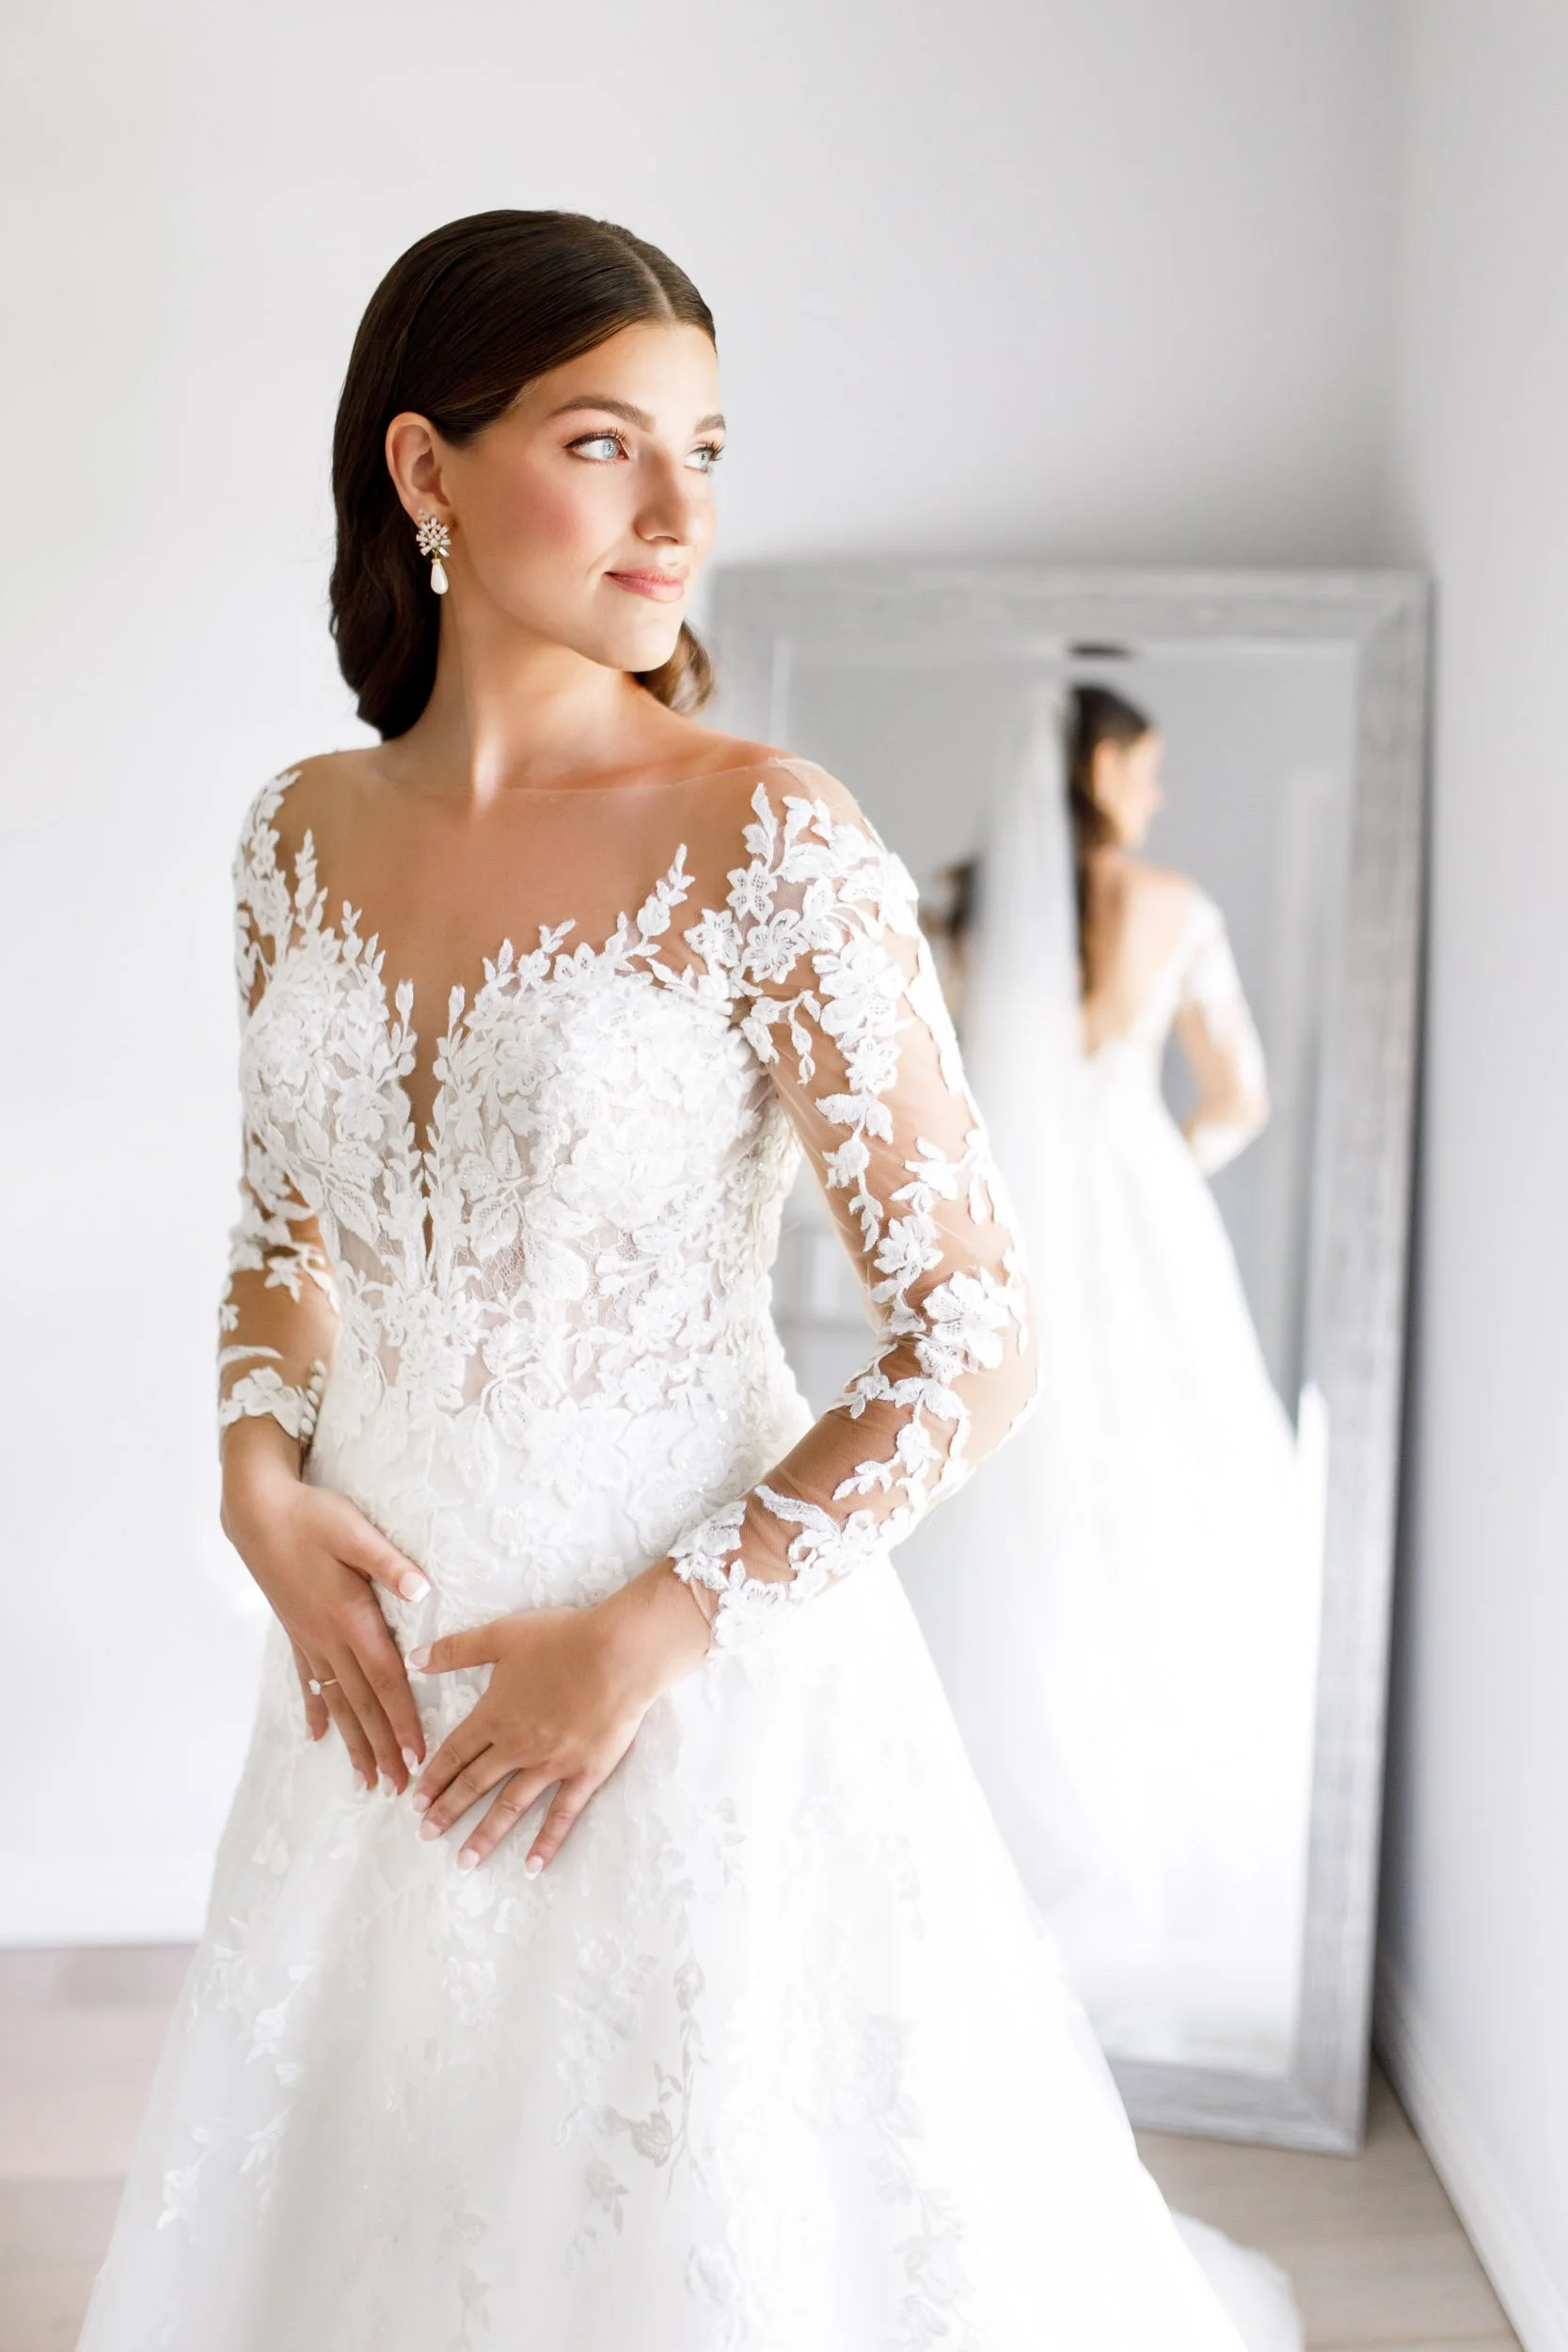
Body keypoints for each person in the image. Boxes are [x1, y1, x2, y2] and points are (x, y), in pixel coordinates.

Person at [75, 212, 1299, 2349]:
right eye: (603, 443)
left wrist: (649, 1634)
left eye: (704, 450)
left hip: (689, 1686)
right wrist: (255, 1471)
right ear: (426, 470)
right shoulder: (292, 839)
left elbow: (975, 1333)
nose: (678, 512)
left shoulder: (767, 839)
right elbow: (286, 1234)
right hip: (376, 1686)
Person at [910, 684, 1323, 2077]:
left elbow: (940, 1107)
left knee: (1030, 1501)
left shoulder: (959, 919)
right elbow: (1239, 1098)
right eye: (1143, 769)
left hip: (1017, 1225)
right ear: (1097, 769)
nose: (1155, 795)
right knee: (1170, 1489)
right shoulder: (1174, 908)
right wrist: (1159, 1173)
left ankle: (1025, 1790)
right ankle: (1160, 1794)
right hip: (1139, 1228)